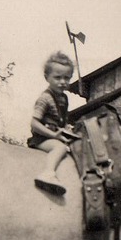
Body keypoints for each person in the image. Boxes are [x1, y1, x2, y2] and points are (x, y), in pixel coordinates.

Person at [30, 52, 81, 194]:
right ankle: (48, 173)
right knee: (60, 148)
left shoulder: (63, 98)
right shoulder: (45, 98)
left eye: (66, 78)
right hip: (42, 138)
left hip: (54, 135)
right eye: (57, 77)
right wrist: (54, 135)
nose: (62, 82)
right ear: (47, 77)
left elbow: (61, 121)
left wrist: (67, 129)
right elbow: (34, 123)